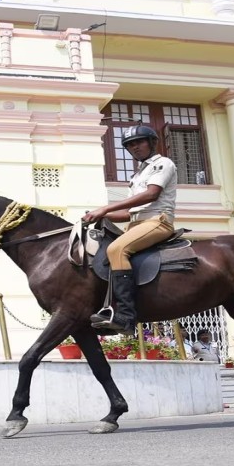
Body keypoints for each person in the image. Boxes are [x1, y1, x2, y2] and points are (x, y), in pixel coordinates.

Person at [82, 124, 177, 333]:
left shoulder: (163, 163)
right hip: (136, 224)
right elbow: (128, 213)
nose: (135, 147)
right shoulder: (136, 176)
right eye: (130, 145)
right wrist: (99, 215)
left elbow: (151, 194)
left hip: (157, 222)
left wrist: (105, 207)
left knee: (117, 249)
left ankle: (125, 316)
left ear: (152, 142)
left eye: (139, 142)